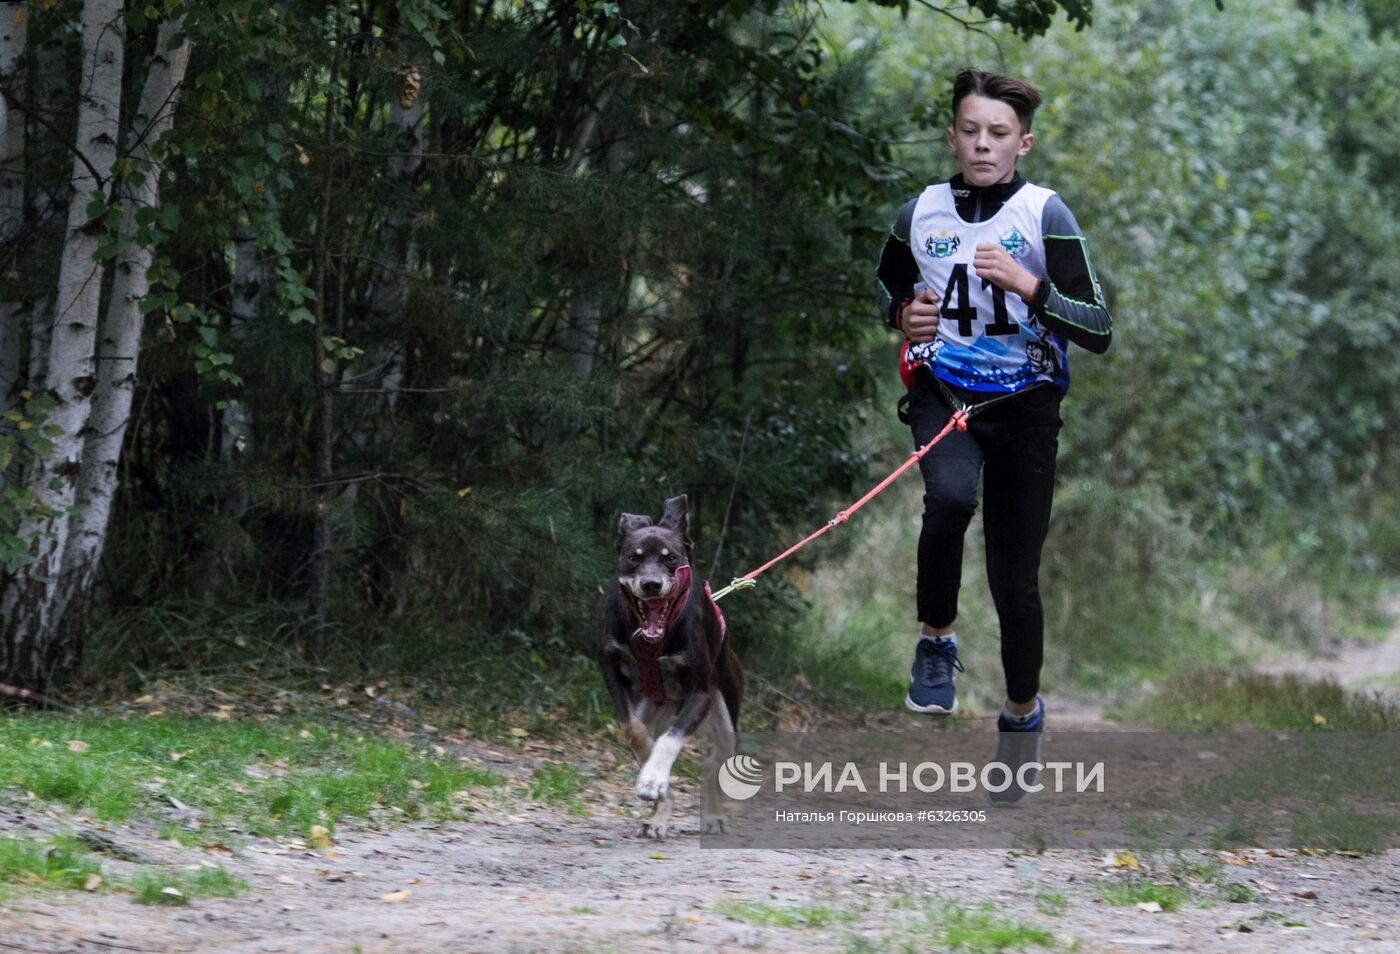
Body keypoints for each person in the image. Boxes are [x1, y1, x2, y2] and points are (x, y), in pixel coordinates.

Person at [873, 69, 1112, 801]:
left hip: (1027, 408)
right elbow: (888, 283)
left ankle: (1019, 718)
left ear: (1023, 142)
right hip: (944, 391)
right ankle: (937, 641)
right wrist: (901, 316)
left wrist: (1028, 284)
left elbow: (1099, 327)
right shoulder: (923, 210)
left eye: (998, 134)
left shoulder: (1045, 214)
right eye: (970, 131)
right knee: (947, 496)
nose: (983, 144)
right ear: (953, 136)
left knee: (1014, 583)